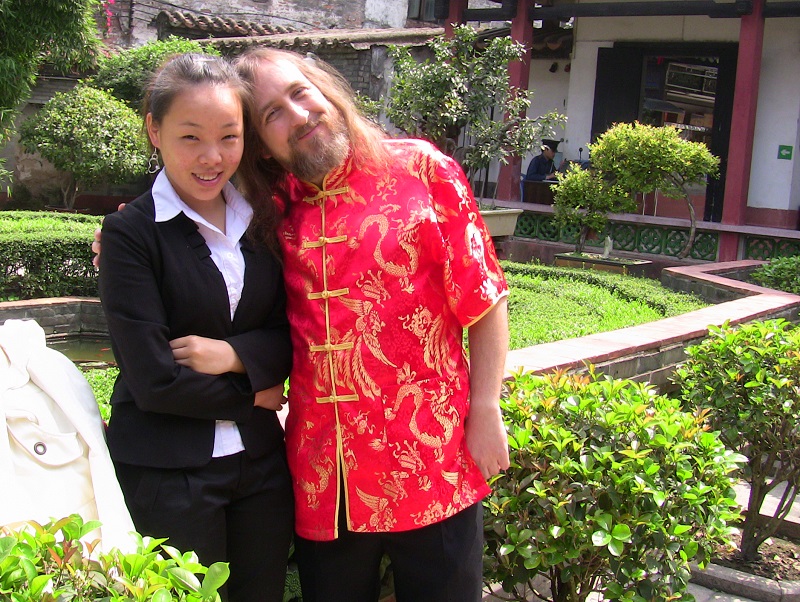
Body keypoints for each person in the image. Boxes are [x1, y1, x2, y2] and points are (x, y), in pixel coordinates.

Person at [233, 48, 511, 602]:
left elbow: (484, 298)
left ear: (326, 89)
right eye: (272, 115)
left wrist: (485, 409)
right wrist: (129, 231)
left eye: (299, 92)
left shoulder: (422, 168)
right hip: (326, 473)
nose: (298, 115)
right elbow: (193, 216)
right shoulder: (269, 209)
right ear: (262, 145)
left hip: (433, 455)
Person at [97, 54, 294, 602]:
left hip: (260, 468)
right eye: (190, 137)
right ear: (154, 131)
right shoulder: (130, 234)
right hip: (167, 472)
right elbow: (154, 380)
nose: (212, 158)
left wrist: (231, 356)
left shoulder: (262, 219)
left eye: (229, 137)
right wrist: (254, 395)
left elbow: (289, 335)